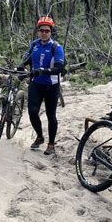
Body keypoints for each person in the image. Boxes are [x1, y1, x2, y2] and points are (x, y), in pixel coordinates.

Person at [18, 16, 65, 155]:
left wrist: (43, 71)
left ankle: (51, 144)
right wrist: (20, 67)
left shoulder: (56, 47)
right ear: (38, 31)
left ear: (51, 32)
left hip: (51, 86)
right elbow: (26, 59)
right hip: (36, 84)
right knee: (32, 112)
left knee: (51, 115)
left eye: (47, 30)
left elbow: (59, 68)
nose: (44, 33)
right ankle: (39, 137)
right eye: (41, 30)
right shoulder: (34, 45)